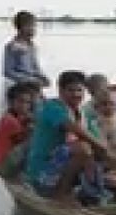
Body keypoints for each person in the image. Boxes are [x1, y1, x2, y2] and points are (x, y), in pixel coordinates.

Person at [25, 70, 110, 205]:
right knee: (83, 148)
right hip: (43, 172)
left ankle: (90, 190)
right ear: (61, 90)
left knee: (101, 156)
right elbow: (74, 129)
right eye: (71, 90)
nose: (76, 94)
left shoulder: (83, 113)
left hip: (66, 169)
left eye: (79, 90)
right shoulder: (51, 107)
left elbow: (97, 139)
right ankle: (60, 194)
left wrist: (106, 154)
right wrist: (101, 148)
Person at [1, 11, 49, 114]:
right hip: (17, 88)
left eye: (34, 27)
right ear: (21, 27)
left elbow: (35, 67)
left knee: (40, 112)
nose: (33, 30)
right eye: (31, 26)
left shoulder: (32, 46)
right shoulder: (12, 46)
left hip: (33, 87)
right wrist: (29, 80)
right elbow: (7, 71)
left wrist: (43, 77)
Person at [0, 82, 36, 180]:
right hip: (2, 165)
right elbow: (24, 139)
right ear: (10, 102)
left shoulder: (15, 115)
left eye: (28, 102)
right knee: (34, 140)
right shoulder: (10, 121)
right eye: (20, 101)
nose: (24, 106)